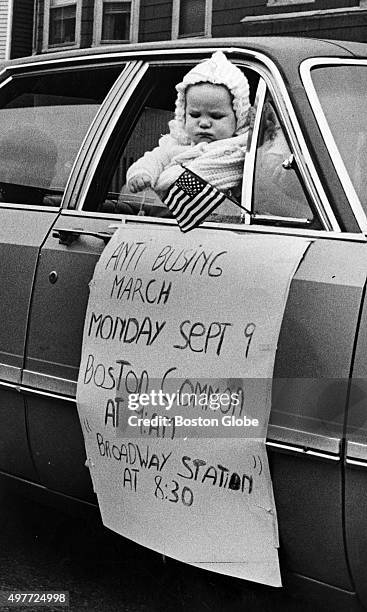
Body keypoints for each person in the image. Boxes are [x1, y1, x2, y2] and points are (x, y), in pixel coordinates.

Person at [126, 51, 251, 209]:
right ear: (183, 115)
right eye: (195, 114)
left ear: (239, 117)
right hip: (169, 217)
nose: (204, 123)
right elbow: (153, 160)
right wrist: (141, 174)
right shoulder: (174, 144)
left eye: (216, 116)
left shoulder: (242, 151)